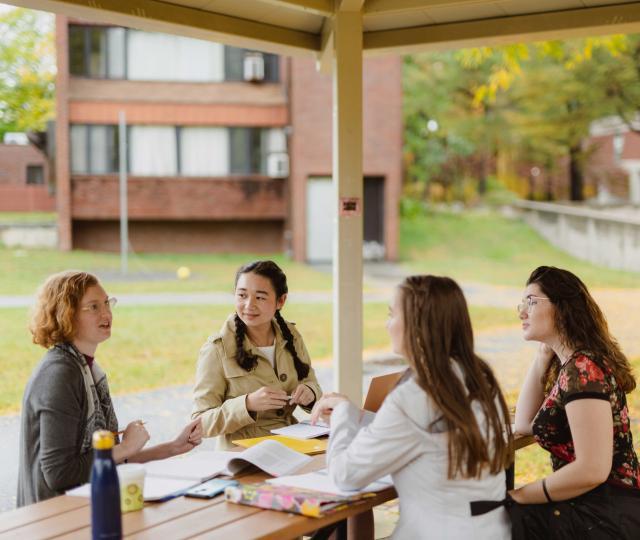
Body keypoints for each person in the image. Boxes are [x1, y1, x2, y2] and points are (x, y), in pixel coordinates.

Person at [310, 275, 512, 539]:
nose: (387, 324)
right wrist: (355, 416)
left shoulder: (416, 394)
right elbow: (423, 433)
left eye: (392, 314)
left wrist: (343, 415)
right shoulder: (478, 379)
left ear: (418, 326)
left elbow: (345, 475)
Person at [17, 271, 203, 507]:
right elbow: (60, 474)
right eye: (93, 307)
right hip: (53, 519)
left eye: (107, 303)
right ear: (67, 314)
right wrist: (125, 446)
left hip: (87, 506)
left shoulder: (87, 369)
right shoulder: (60, 374)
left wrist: (172, 448)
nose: (106, 314)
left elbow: (106, 460)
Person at [511, 266, 640, 538]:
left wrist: (522, 494)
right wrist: (542, 356)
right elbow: (524, 423)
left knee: (497, 518)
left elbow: (593, 469)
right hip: (589, 503)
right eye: (522, 303)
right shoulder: (572, 364)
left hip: (606, 512)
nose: (521, 311)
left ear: (562, 308)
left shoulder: (584, 370)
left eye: (531, 302)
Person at [191, 260, 322, 449]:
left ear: (281, 301)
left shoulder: (291, 336)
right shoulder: (216, 349)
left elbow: (311, 382)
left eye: (260, 297)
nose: (248, 305)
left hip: (294, 445)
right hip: (243, 454)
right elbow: (200, 423)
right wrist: (247, 404)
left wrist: (310, 393)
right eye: (242, 295)